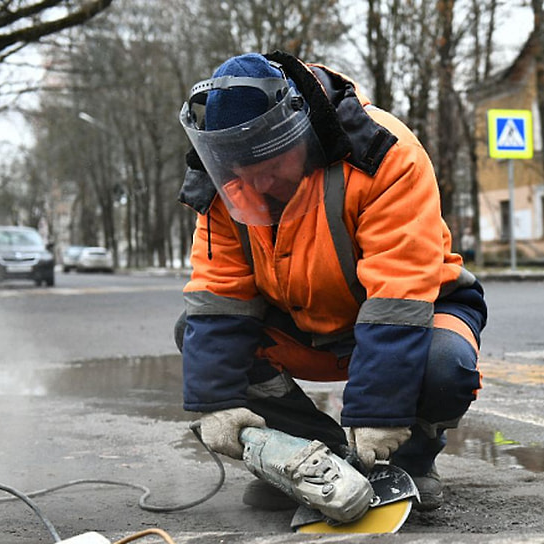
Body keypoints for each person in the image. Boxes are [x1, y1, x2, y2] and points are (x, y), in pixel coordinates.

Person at [175, 51, 487, 516]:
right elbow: (219, 297)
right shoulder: (226, 186)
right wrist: (216, 401)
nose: (257, 183)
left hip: (415, 313)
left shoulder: (382, 153)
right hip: (305, 325)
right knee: (199, 337)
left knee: (446, 364)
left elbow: (397, 296)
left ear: (297, 130)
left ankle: (409, 461)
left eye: (269, 163)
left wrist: (378, 413)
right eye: (242, 168)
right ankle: (316, 460)